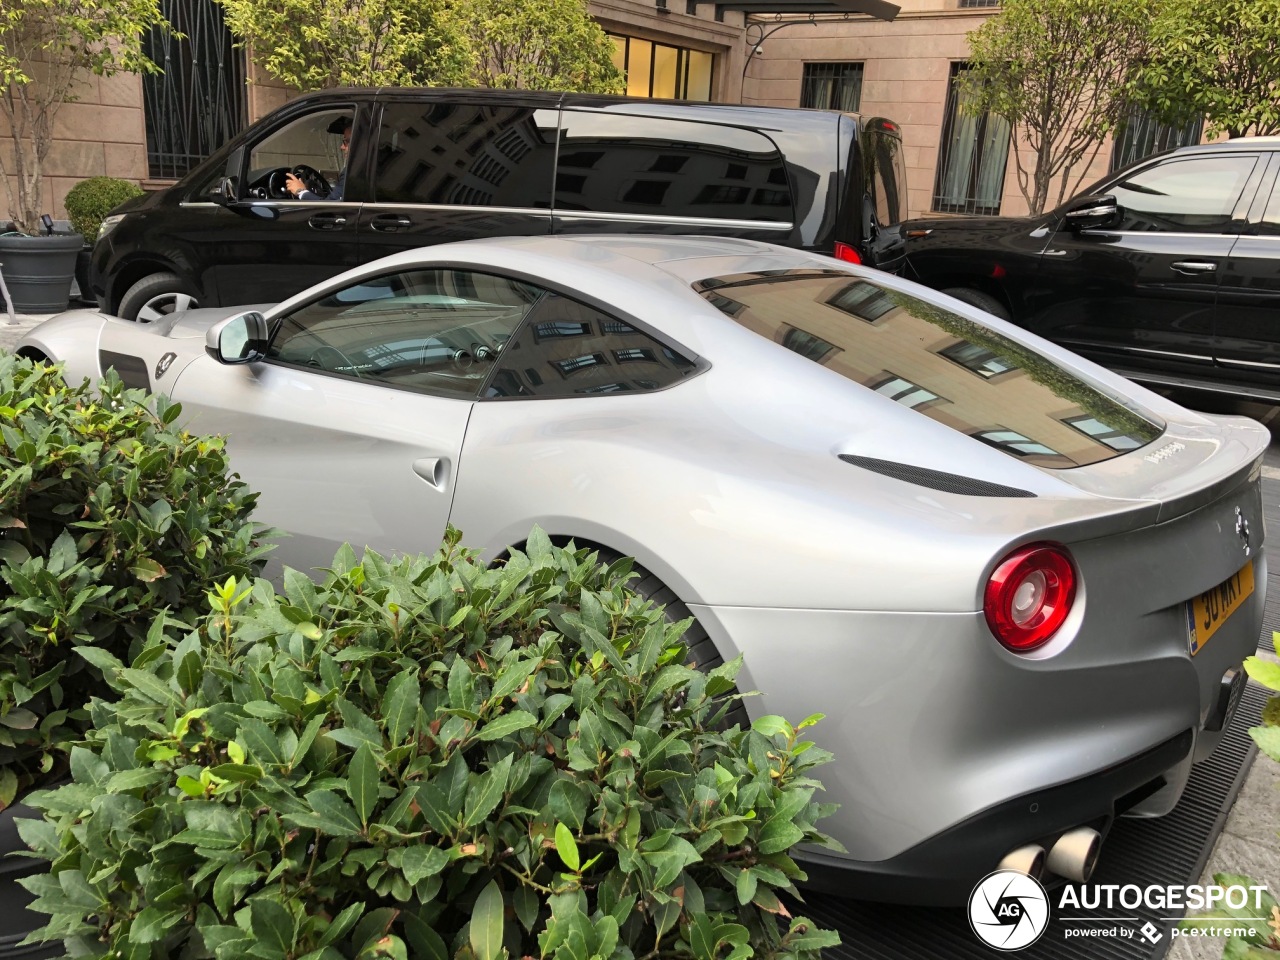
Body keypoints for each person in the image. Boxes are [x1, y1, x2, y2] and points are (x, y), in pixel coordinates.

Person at [286, 116, 351, 200]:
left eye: (346, 141)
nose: (342, 147)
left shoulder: (352, 173)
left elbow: (331, 207)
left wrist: (300, 192)